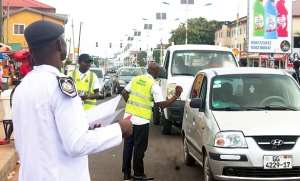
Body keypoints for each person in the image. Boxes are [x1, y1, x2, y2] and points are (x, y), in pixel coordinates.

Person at [12, 20, 132, 181]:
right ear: (59, 45)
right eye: (63, 39)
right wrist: (119, 129)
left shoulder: (22, 87)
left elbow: (41, 134)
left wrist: (84, 127)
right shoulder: (59, 85)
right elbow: (77, 144)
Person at [121, 62, 183, 181]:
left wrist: (130, 105)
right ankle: (138, 174)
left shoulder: (136, 79)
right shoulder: (154, 85)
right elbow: (161, 105)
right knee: (139, 149)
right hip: (141, 121)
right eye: (159, 70)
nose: (160, 72)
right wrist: (176, 96)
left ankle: (126, 175)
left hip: (128, 119)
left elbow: (124, 92)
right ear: (154, 72)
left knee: (128, 147)